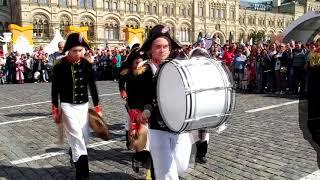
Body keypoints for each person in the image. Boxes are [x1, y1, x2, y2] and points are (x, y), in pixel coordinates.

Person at [139, 24, 192, 179]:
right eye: (158, 47)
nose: (162, 50)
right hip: (158, 126)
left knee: (181, 166)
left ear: (170, 48)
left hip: (179, 126)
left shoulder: (180, 67)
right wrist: (146, 109)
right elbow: (144, 96)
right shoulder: (145, 71)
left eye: (165, 46)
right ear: (151, 49)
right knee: (166, 172)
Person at [51, 33, 102, 180]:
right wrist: (55, 107)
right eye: (75, 51)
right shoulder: (59, 66)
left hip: (83, 105)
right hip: (67, 105)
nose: (78, 54)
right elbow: (55, 89)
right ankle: (83, 172)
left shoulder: (86, 64)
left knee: (84, 138)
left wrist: (97, 105)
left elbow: (92, 86)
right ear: (68, 50)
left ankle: (73, 154)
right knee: (76, 136)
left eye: (81, 50)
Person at [118, 47, 154, 179]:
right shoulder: (127, 72)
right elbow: (121, 80)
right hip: (133, 107)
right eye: (136, 62)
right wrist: (122, 90)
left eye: (141, 62)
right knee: (138, 135)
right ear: (132, 63)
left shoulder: (148, 72)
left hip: (147, 108)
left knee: (146, 137)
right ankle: (139, 157)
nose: (139, 65)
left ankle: (144, 160)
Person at [188, 47, 211, 164]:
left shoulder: (210, 70)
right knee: (193, 129)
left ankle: (201, 154)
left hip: (205, 101)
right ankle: (193, 153)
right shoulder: (189, 70)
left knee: (204, 130)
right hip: (194, 102)